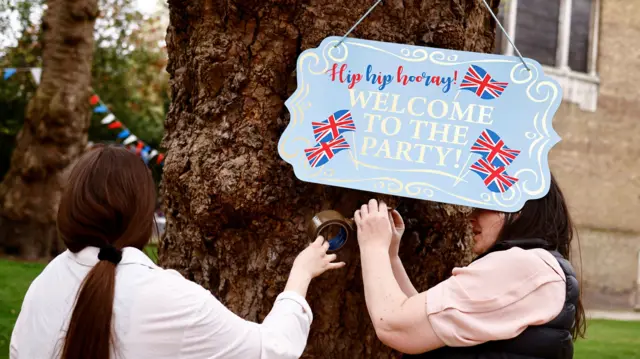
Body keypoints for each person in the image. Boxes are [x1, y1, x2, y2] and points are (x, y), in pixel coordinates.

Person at [10, 144, 345, 359]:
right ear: (143, 213)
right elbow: (272, 350)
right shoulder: (170, 297)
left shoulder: (47, 280)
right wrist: (300, 274)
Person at [354, 175, 585, 359]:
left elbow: (395, 326)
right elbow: (425, 323)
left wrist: (373, 245)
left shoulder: (523, 265)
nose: (471, 216)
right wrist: (390, 256)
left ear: (518, 209)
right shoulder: (538, 266)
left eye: (485, 204)